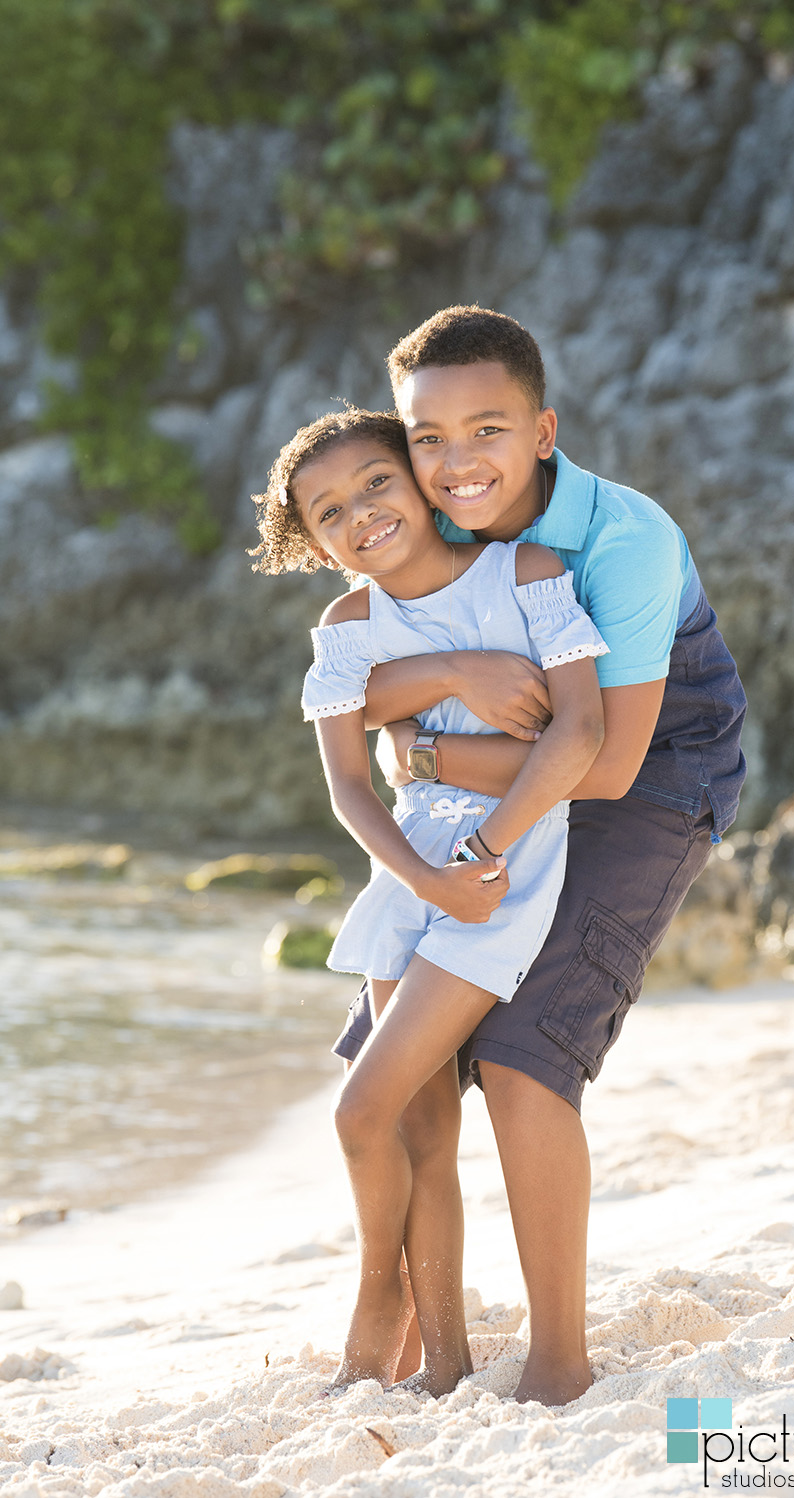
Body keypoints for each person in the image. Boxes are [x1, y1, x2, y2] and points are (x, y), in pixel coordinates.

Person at [333, 306, 748, 1406]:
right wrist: (445, 694)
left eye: (487, 431)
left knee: (523, 1052)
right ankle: (431, 1332)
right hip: (508, 772)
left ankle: (559, 1359)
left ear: (544, 430)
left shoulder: (624, 539)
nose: (457, 463)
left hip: (651, 765)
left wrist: (427, 747)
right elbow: (355, 683)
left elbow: (599, 764)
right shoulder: (424, 521)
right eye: (428, 437)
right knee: (410, 1058)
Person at [249, 406, 607, 1397]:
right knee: (415, 1131)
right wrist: (450, 676)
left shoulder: (525, 575)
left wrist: (477, 855)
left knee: (358, 1108)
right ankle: (444, 1361)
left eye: (373, 482)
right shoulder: (346, 628)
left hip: (498, 878)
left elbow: (575, 738)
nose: (359, 512)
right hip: (407, 873)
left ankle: (378, 1303)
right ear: (314, 543)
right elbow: (350, 786)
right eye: (329, 510)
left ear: (414, 476)